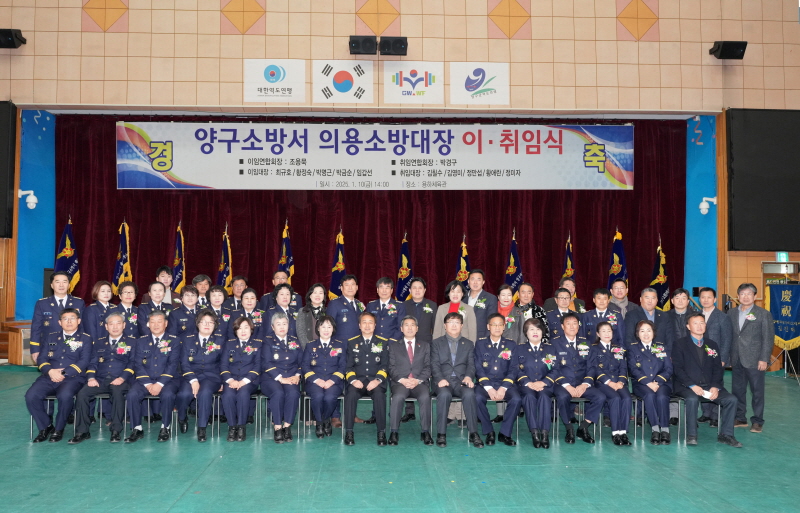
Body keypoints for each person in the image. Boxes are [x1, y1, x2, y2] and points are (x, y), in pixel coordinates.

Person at [673, 312, 742, 447]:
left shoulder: (712, 344)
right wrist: (692, 385)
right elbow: (677, 369)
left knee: (731, 399)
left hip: (709, 386)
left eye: (702, 323)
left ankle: (726, 435)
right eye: (695, 323)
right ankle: (692, 435)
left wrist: (715, 386)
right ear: (688, 326)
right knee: (692, 399)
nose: (699, 326)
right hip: (686, 386)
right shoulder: (679, 344)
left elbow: (717, 368)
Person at [68, 311, 135, 444]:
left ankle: (116, 430)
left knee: (117, 392)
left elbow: (133, 363)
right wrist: (91, 378)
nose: (115, 327)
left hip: (121, 379)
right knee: (82, 394)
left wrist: (122, 378)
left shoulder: (132, 342)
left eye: (118, 323)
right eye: (111, 324)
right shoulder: (99, 343)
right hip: (100, 379)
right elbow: (93, 363)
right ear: (106, 326)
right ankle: (82, 431)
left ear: (124, 325)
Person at [26, 308, 91, 443]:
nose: (69, 321)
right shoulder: (51, 337)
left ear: (79, 321)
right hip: (49, 376)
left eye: (72, 318)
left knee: (65, 395)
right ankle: (46, 426)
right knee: (31, 396)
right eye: (65, 319)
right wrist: (50, 371)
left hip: (73, 378)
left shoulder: (85, 338)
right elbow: (42, 358)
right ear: (59, 322)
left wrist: (64, 372)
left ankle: (59, 429)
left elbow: (84, 361)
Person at [124, 310, 180, 443]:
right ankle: (137, 428)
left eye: (159, 322)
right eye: (152, 322)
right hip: (146, 380)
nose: (156, 325)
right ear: (148, 324)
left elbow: (173, 364)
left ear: (166, 323)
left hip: (167, 380)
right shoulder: (141, 341)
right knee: (132, 395)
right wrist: (148, 384)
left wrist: (159, 384)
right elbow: (138, 364)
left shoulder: (174, 340)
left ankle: (165, 427)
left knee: (168, 395)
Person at [431, 312, 484, 448]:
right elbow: (434, 364)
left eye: (457, 322)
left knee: (469, 394)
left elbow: (471, 364)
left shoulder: (468, 344)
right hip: (443, 381)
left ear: (461, 326)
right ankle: (441, 434)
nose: (454, 325)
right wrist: (440, 379)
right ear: (445, 325)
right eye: (450, 322)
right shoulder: (436, 343)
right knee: (444, 394)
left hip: (461, 381)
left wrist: (468, 377)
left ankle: (473, 433)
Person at [551, 312, 605, 444]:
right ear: (562, 326)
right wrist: (567, 385)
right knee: (563, 397)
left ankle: (583, 427)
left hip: (582, 383)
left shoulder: (585, 342)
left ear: (579, 326)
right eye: (568, 323)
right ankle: (569, 428)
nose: (572, 326)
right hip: (562, 384)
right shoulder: (554, 343)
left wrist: (585, 384)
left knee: (600, 397)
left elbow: (592, 367)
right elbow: (553, 368)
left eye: (575, 323)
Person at [728, 283, 774, 433]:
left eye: (749, 294)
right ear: (738, 296)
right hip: (736, 358)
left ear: (755, 296)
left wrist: (764, 358)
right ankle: (740, 418)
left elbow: (768, 338)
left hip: (755, 359)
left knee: (757, 392)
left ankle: (757, 421)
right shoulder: (731, 313)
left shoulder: (763, 314)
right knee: (738, 390)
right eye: (742, 294)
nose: (745, 297)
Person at [175, 310, 225, 442]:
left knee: (205, 393)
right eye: (204, 322)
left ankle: (202, 427)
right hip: (191, 375)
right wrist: (193, 380)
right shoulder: (188, 340)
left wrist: (223, 381)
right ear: (198, 324)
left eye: (210, 322)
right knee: (184, 394)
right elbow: (184, 363)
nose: (207, 325)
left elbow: (224, 363)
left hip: (212, 376)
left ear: (215, 325)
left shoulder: (220, 340)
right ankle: (182, 417)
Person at [474, 312, 523, 446]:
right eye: (494, 325)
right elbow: (478, 368)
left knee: (516, 399)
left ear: (504, 327)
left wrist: (503, 387)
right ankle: (489, 431)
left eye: (500, 325)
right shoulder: (480, 344)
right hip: (486, 383)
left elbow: (514, 368)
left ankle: (505, 433)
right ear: (488, 327)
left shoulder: (511, 344)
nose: (497, 327)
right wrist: (489, 388)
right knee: (477, 398)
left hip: (505, 383)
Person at [343, 312, 390, 446]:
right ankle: (349, 432)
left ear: (375, 325)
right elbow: (348, 366)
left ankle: (381, 432)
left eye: (370, 322)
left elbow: (385, 365)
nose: (367, 325)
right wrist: (353, 380)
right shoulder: (352, 342)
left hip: (375, 382)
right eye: (364, 322)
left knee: (380, 396)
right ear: (359, 325)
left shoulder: (382, 342)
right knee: (350, 395)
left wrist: (377, 380)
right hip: (357, 381)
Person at [387, 316, 433, 446]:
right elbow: (391, 367)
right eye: (406, 325)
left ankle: (425, 431)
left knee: (425, 397)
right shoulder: (394, 346)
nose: (410, 328)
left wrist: (417, 380)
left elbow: (428, 367)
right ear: (401, 329)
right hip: (400, 383)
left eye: (412, 325)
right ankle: (394, 431)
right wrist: (402, 380)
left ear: (417, 328)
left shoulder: (425, 346)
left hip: (419, 382)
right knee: (398, 397)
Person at [512, 317, 557, 448]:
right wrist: (528, 383)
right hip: (526, 385)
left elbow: (555, 369)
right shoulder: (519, 349)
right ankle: (535, 432)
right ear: (526, 333)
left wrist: (544, 382)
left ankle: (544, 433)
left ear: (542, 332)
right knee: (529, 397)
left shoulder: (550, 349)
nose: (535, 332)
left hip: (545, 385)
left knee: (544, 397)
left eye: (538, 329)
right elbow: (515, 369)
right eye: (531, 329)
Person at [626, 320, 672, 445]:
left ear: (653, 332)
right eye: (642, 331)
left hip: (662, 383)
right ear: (638, 333)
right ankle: (655, 429)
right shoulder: (633, 348)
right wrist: (648, 382)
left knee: (662, 396)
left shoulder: (662, 347)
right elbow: (633, 369)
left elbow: (669, 368)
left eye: (649, 330)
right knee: (650, 395)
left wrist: (657, 381)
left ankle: (665, 429)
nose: (646, 334)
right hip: (641, 384)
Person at [587, 321, 632, 446]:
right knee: (615, 398)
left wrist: (621, 381)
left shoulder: (618, 349)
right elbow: (595, 368)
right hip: (603, 383)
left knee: (627, 398)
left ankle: (623, 432)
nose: (607, 333)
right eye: (603, 331)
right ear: (598, 334)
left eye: (609, 331)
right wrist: (609, 382)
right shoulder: (593, 348)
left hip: (618, 382)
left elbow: (623, 367)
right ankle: (615, 433)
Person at [302, 315, 346, 439]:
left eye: (329, 327)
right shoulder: (310, 346)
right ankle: (320, 423)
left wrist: (332, 380)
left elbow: (343, 366)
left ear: (333, 329)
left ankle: (324, 420)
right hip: (314, 381)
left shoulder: (339, 345)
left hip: (334, 381)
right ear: (318, 329)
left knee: (330, 397)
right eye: (323, 327)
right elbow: (305, 366)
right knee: (318, 396)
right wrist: (317, 380)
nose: (326, 330)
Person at [261, 312, 302, 444]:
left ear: (289, 326)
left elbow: (302, 362)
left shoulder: (294, 340)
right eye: (278, 324)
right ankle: (278, 427)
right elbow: (266, 363)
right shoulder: (267, 341)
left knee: (293, 393)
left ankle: (287, 426)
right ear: (273, 327)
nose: (282, 327)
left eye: (284, 324)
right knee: (278, 393)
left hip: (291, 376)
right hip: (271, 378)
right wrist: (280, 378)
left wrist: (297, 375)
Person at [221, 316, 262, 442]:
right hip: (231, 380)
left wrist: (244, 381)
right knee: (227, 395)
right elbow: (223, 365)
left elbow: (258, 366)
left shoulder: (258, 344)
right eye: (239, 328)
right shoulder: (229, 344)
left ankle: (241, 426)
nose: (243, 331)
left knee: (243, 394)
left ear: (251, 329)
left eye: (246, 327)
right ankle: (232, 426)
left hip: (250, 381)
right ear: (235, 331)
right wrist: (230, 380)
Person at [30, 271, 85, 364]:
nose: (61, 285)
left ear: (69, 285)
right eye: (57, 282)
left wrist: (83, 347)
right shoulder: (42, 303)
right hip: (50, 348)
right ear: (52, 285)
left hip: (73, 348)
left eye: (64, 282)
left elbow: (82, 327)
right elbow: (36, 328)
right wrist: (35, 349)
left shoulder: (78, 303)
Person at [698, 287, 733, 426]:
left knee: (715, 384)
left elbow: (727, 340)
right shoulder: (696, 316)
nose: (706, 300)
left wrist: (723, 359)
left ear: (715, 299)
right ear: (699, 299)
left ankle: (715, 415)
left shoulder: (722, 317)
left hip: (716, 358)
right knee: (702, 383)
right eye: (703, 297)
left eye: (709, 297)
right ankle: (706, 413)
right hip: (699, 358)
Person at [327, 274, 366, 342]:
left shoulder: (359, 304)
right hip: (341, 344)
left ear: (357, 287)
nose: (350, 288)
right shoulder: (334, 303)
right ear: (341, 288)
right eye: (347, 285)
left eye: (352, 284)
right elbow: (328, 326)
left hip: (359, 344)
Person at [366, 277, 407, 341]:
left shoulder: (399, 306)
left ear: (391, 290)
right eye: (381, 287)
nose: (384, 291)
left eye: (387, 288)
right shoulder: (371, 305)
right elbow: (367, 325)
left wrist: (391, 342)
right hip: (373, 342)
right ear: (377, 290)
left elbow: (401, 327)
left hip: (393, 343)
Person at [463, 270, 498, 340]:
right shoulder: (462, 297)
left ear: (483, 282)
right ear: (468, 281)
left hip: (480, 338)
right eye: (473, 279)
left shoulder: (490, 298)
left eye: (478, 280)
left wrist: (485, 340)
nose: (475, 282)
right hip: (463, 337)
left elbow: (491, 321)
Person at [403, 277, 437, 343]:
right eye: (414, 288)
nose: (417, 290)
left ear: (424, 290)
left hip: (427, 343)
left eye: (420, 288)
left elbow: (435, 327)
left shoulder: (432, 305)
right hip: (408, 343)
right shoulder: (403, 305)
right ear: (410, 290)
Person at [296, 283, 328, 349]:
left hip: (325, 348)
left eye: (320, 293)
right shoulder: (302, 311)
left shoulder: (328, 311)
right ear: (310, 295)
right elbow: (301, 333)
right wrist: (309, 348)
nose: (317, 295)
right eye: (315, 292)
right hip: (308, 348)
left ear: (324, 296)